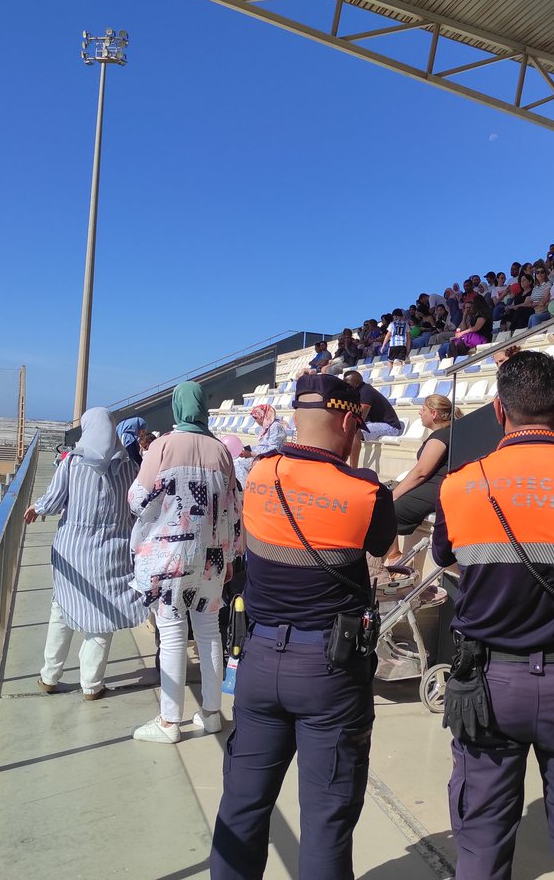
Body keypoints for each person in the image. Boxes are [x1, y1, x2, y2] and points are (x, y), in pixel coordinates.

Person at [431, 351, 554, 880]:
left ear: (499, 410)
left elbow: (446, 557)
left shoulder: (460, 484)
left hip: (487, 686)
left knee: (481, 843)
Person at [211, 373, 395, 880]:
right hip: (330, 672)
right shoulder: (365, 491)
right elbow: (380, 547)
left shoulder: (260, 473)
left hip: (259, 657)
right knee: (326, 822)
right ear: (347, 420)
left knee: (241, 810)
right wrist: (350, 460)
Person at [128, 381, 241, 744]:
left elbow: (137, 499)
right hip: (212, 556)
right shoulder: (221, 451)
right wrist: (233, 553)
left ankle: (169, 722)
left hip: (171, 556)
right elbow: (235, 508)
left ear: (178, 407)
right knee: (209, 632)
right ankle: (210, 713)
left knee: (173, 633)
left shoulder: (162, 446)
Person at [25, 407, 146, 701]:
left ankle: (49, 676)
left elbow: (53, 501)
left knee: (62, 608)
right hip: (112, 552)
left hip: (72, 550)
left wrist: (36, 508)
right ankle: (91, 685)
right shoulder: (129, 466)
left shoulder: (72, 463)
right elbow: (135, 509)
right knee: (101, 620)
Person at [383, 394, 462, 563]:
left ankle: (394, 560)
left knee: (386, 508)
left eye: (423, 409)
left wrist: (394, 494)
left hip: (438, 488)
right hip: (438, 485)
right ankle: (392, 556)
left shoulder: (440, 436)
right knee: (382, 495)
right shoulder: (449, 432)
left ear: (434, 414)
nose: (420, 413)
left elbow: (421, 472)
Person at [342, 369, 404, 468]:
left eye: (348, 383)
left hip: (391, 426)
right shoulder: (356, 392)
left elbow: (360, 418)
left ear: (357, 383)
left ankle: (353, 470)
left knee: (355, 431)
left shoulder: (366, 391)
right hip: (375, 423)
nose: (346, 386)